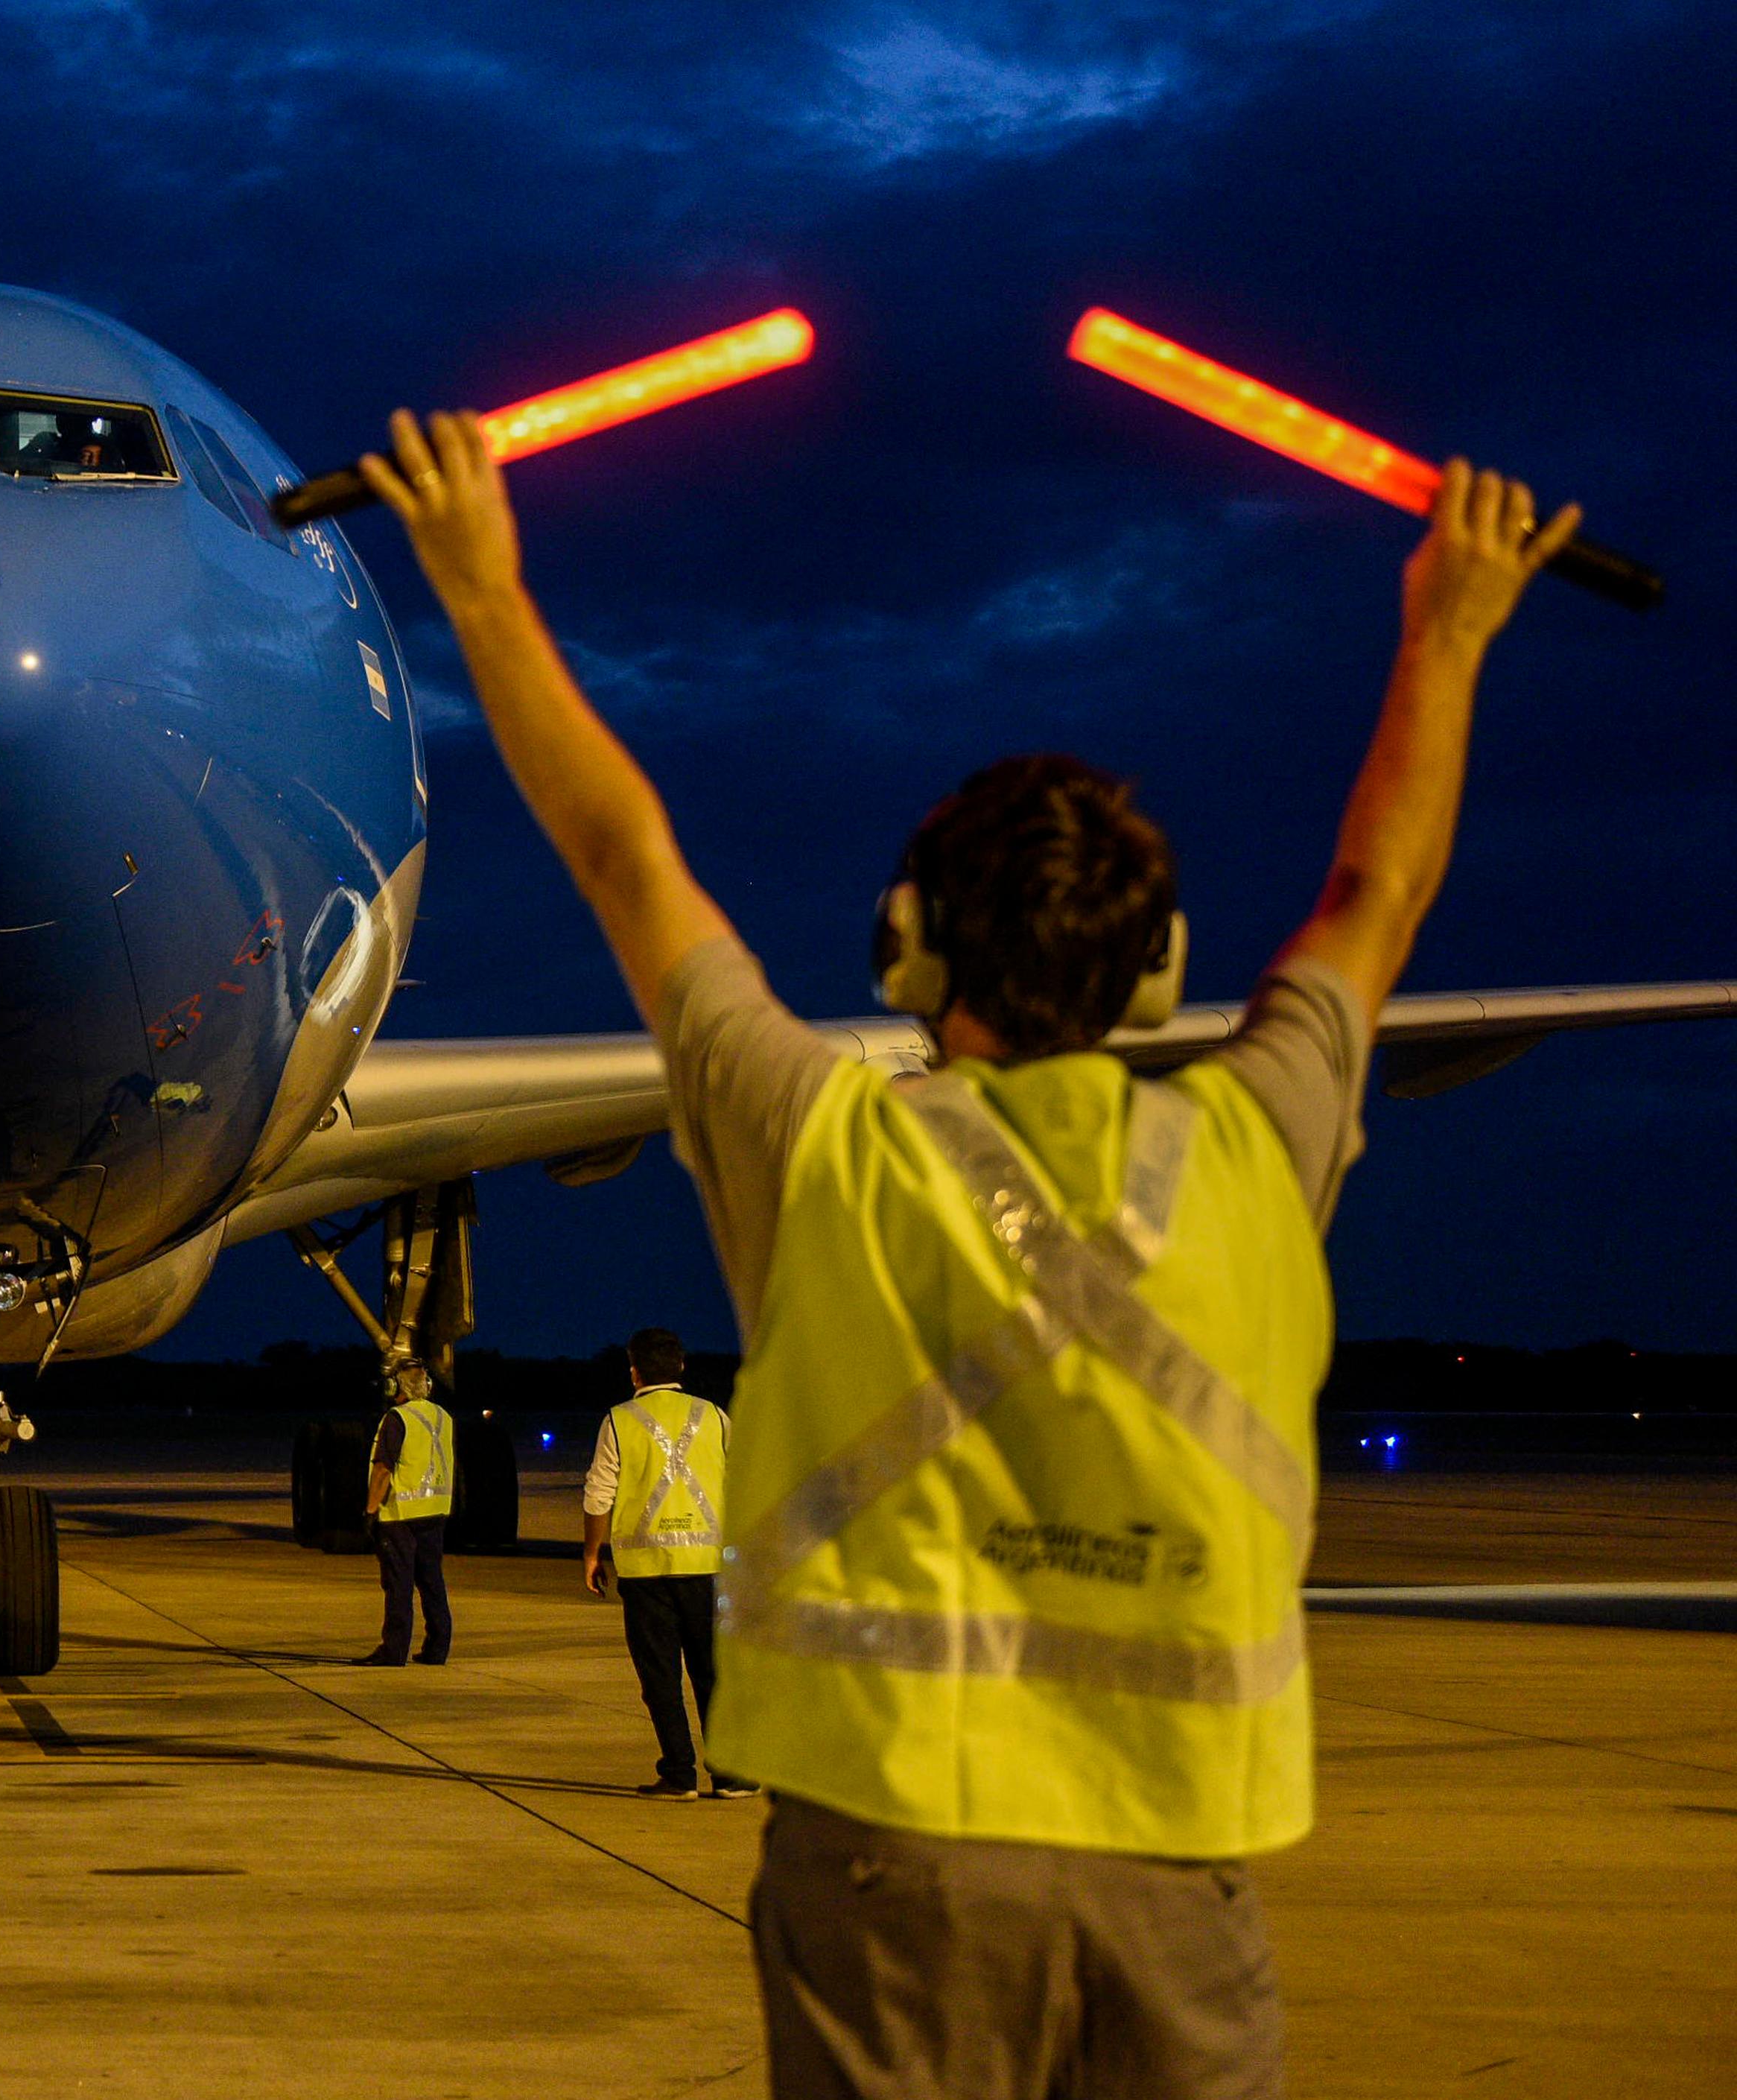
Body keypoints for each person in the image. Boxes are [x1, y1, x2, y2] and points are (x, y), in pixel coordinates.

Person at [360, 411, 1578, 2097]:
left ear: (903, 948)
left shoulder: (826, 1145)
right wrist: (1451, 625)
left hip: (893, 1876)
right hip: (1178, 1872)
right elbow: (1376, 891)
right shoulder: (1249, 1146)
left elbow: (625, 857)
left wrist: (479, 592)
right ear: (1157, 970)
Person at [581, 1329, 750, 1798]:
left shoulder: (618, 1421)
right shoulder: (714, 1416)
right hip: (707, 1567)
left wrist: (593, 1552)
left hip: (645, 1571)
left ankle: (679, 1774)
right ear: (681, 1367)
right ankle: (731, 1774)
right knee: (713, 1674)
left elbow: (599, 1494)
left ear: (633, 1371)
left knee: (661, 1677)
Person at [355, 1360, 456, 1666]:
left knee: (398, 1584)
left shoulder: (397, 1418)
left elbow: (384, 1469)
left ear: (395, 1387)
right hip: (435, 1510)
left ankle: (394, 1650)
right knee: (431, 1581)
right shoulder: (443, 1417)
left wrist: (371, 1511)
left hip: (400, 1514)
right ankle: (438, 1648)